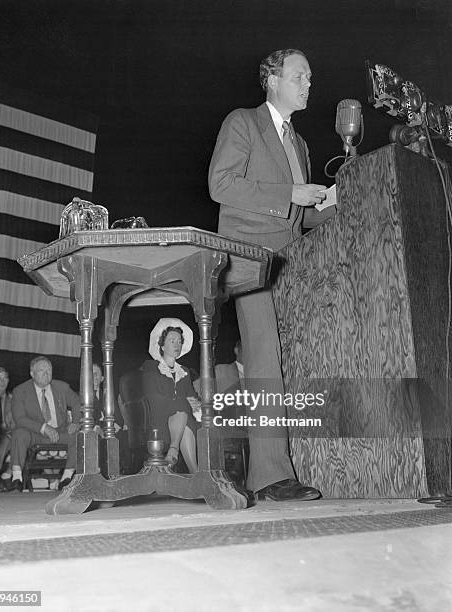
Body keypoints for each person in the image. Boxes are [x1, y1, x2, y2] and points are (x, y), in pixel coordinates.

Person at [209, 48, 335, 501]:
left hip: (294, 266)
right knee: (262, 358)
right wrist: (291, 193)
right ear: (271, 79)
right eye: (299, 76)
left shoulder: (299, 144)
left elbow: (298, 219)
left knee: (294, 362)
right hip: (249, 259)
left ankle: (311, 466)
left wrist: (334, 202)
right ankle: (267, 478)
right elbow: (220, 184)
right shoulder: (243, 122)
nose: (308, 84)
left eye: (310, 77)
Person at [10, 356, 81, 492]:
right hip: (36, 433)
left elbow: (78, 403)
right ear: (32, 373)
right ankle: (17, 478)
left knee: (79, 436)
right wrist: (43, 428)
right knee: (19, 433)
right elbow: (19, 418)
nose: (46, 373)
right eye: (41, 370)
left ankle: (66, 478)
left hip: (60, 432)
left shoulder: (62, 387)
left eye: (49, 370)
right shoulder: (20, 391)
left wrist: (76, 422)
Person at [141, 318, 200, 473]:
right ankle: (177, 453)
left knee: (186, 418)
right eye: (172, 340)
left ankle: (192, 470)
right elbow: (154, 399)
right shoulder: (151, 367)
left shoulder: (185, 372)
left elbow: (191, 397)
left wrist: (195, 403)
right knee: (182, 408)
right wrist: (184, 402)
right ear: (161, 345)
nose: (177, 344)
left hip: (182, 420)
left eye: (179, 341)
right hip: (158, 420)